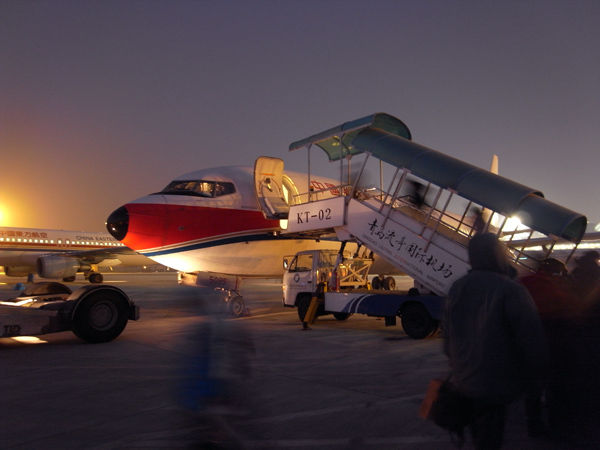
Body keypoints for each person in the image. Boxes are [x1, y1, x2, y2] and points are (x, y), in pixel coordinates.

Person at [443, 233, 548, 450]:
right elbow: (532, 341)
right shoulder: (511, 290)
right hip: (500, 387)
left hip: (465, 384)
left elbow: (448, 341)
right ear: (498, 255)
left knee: (480, 437)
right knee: (498, 438)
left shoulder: (456, 288)